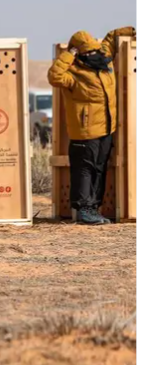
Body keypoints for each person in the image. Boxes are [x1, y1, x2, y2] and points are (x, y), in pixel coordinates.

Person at [47, 26, 136, 224]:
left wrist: (132, 31)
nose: (94, 54)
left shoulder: (104, 58)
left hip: (106, 128)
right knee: (84, 170)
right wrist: (68, 55)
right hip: (84, 132)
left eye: (95, 49)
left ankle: (93, 208)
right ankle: (84, 209)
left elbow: (113, 37)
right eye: (88, 52)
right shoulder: (74, 73)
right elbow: (54, 76)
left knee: (99, 168)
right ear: (79, 53)